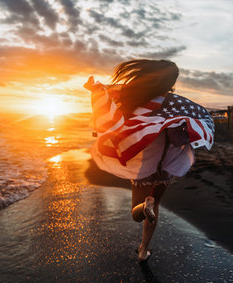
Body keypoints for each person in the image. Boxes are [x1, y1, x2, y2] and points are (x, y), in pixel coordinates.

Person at [84, 59, 214, 262]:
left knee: (138, 213)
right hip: (166, 166)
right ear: (171, 82)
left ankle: (145, 205)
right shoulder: (176, 105)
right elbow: (186, 130)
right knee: (155, 207)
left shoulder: (136, 102)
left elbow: (118, 125)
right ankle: (144, 250)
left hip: (144, 166)